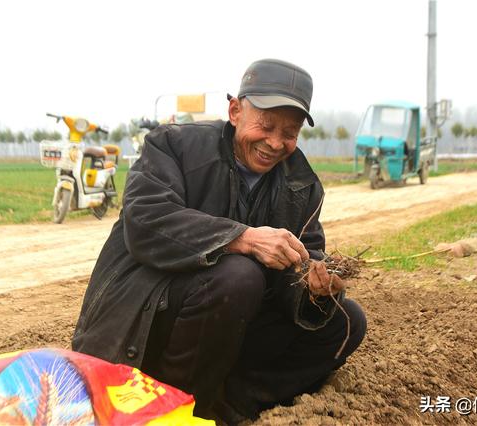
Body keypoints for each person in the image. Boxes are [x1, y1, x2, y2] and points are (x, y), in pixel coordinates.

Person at [72, 58, 367, 423]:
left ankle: (230, 406)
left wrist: (313, 288)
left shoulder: (301, 185)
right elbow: (145, 220)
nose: (275, 143)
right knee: (240, 275)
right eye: (266, 125)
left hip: (222, 327)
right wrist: (241, 238)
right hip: (144, 317)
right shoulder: (174, 146)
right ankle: (174, 410)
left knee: (345, 319)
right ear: (235, 110)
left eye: (289, 132)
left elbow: (303, 256)